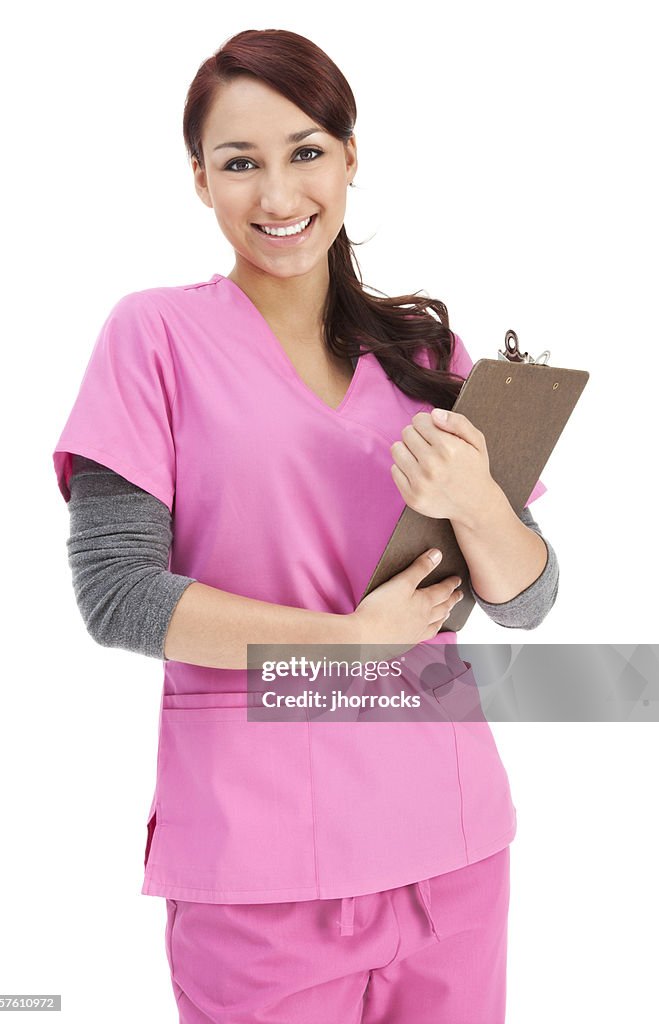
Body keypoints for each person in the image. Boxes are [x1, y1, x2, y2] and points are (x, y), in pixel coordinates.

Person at [52, 28, 559, 1024]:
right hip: (259, 864)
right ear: (199, 180)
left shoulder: (424, 352)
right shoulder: (151, 336)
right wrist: (350, 642)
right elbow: (116, 593)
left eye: (306, 151)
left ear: (350, 156)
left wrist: (479, 502)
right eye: (239, 163)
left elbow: (527, 600)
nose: (278, 196)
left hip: (449, 846)